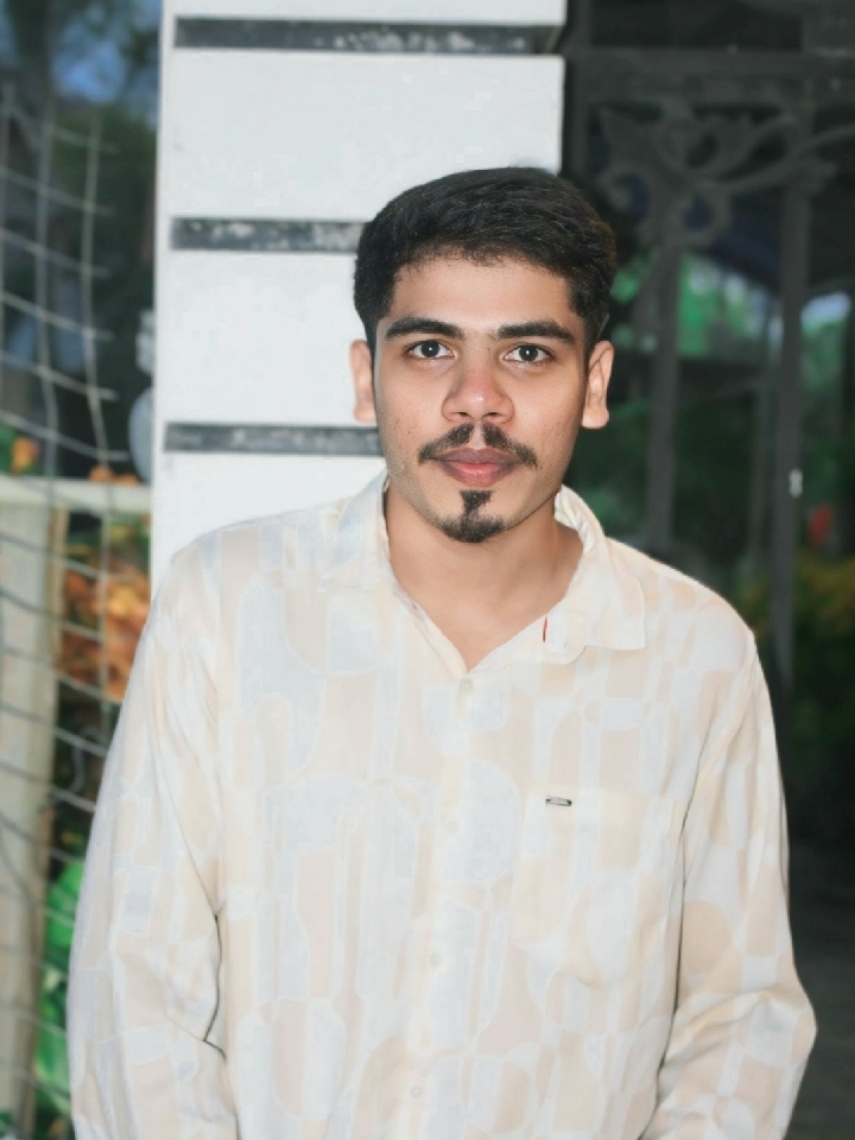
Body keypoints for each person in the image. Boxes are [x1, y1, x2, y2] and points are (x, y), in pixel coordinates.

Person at [69, 168, 814, 1139]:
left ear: (593, 384)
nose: (477, 402)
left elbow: (738, 1017)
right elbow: (135, 986)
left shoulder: (692, 657)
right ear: (365, 376)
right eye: (429, 349)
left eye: (527, 353)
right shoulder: (227, 606)